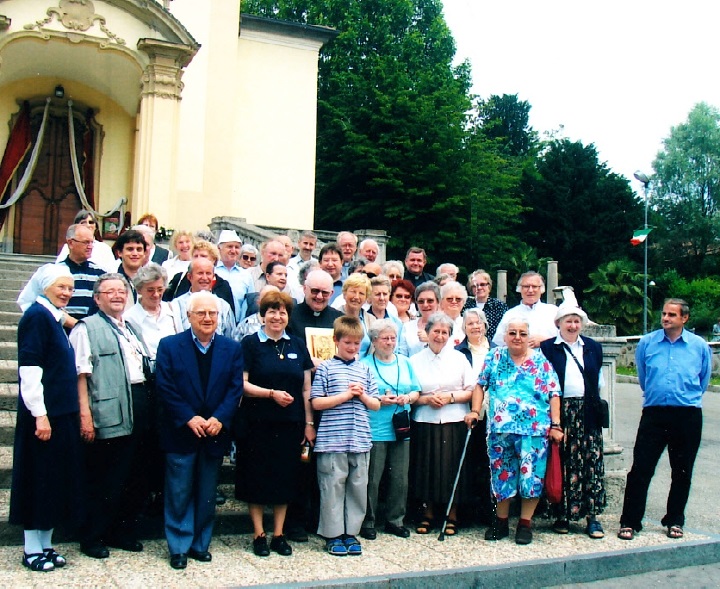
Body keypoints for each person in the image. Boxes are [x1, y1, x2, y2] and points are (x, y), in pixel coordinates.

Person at [155, 292, 244, 569]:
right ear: (189, 316)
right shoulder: (169, 346)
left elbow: (234, 388)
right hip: (182, 431)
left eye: (212, 314)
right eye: (201, 313)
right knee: (179, 491)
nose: (207, 318)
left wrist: (220, 417)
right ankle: (179, 546)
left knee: (207, 492)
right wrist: (188, 417)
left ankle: (200, 544)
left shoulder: (231, 348)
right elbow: (165, 386)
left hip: (215, 431)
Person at [69, 273, 153, 559]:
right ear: (97, 298)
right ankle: (92, 536)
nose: (117, 296)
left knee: (134, 475)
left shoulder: (130, 327)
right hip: (108, 412)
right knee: (107, 477)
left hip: (138, 407)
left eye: (121, 291)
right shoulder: (86, 328)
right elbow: (81, 376)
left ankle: (121, 531)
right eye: (110, 292)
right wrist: (85, 416)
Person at [618, 299, 711, 541]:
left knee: (681, 471)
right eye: (664, 313)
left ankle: (675, 520)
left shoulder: (699, 346)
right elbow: (643, 376)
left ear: (684, 318)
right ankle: (630, 521)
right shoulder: (648, 343)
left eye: (672, 315)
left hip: (687, 414)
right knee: (641, 469)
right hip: (655, 413)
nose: (666, 318)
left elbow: (703, 380)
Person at [10, 265, 83, 572]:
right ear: (44, 287)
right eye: (61, 287)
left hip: (61, 414)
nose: (67, 292)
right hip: (44, 417)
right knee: (38, 481)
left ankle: (47, 544)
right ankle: (31, 549)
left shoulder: (53, 317)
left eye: (70, 287)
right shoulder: (37, 318)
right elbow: (30, 370)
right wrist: (40, 415)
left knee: (54, 481)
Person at [468, 316, 563, 545]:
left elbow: (554, 393)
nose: (517, 338)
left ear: (528, 337)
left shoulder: (541, 361)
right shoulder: (495, 356)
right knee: (502, 476)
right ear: (505, 337)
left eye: (522, 333)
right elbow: (481, 385)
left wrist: (557, 425)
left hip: (534, 431)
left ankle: (524, 524)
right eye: (513, 333)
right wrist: (474, 410)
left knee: (531, 477)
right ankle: (500, 522)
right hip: (500, 429)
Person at [235, 291, 315, 557]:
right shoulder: (250, 344)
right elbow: (242, 384)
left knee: (285, 478)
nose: (277, 316)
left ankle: (278, 534)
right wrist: (270, 394)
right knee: (256, 477)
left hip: (290, 423)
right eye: (272, 311)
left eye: (282, 312)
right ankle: (259, 534)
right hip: (257, 423)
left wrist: (308, 422)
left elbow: (306, 389)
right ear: (263, 315)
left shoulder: (297, 344)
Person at [310, 316, 381, 556]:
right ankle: (332, 534)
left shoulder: (365, 369)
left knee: (358, 487)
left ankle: (351, 533)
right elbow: (317, 402)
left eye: (356, 344)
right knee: (332, 486)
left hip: (360, 439)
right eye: (347, 343)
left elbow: (375, 404)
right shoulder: (326, 368)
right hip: (332, 440)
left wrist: (361, 396)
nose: (352, 348)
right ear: (336, 341)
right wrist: (344, 395)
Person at [540, 303, 606, 538]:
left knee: (590, 462)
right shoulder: (548, 348)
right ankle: (562, 515)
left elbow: (598, 381)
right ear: (558, 323)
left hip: (587, 410)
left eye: (577, 321)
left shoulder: (593, 347)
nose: (573, 325)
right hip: (560, 410)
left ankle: (592, 517)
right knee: (563, 461)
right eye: (568, 320)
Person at [409, 312, 475, 537]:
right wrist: (426, 399)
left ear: (450, 335)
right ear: (427, 333)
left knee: (451, 468)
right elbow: (410, 394)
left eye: (444, 332)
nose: (439, 336)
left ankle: (452, 515)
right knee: (426, 468)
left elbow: (471, 389)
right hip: (425, 419)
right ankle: (427, 514)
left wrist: (450, 398)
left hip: (454, 419)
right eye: (435, 331)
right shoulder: (415, 360)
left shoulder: (459, 358)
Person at [359, 320, 420, 540]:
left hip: (401, 426)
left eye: (393, 338)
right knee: (372, 478)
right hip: (375, 427)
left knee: (400, 478)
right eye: (384, 338)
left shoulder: (405, 362)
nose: (389, 342)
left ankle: (395, 520)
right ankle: (368, 521)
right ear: (374, 340)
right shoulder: (364, 364)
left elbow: (416, 391)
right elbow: (360, 395)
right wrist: (378, 399)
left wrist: (408, 397)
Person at [18, 223, 105, 325]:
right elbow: (37, 301)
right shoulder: (56, 273)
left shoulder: (100, 273)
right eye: (86, 242)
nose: (90, 247)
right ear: (71, 243)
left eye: (91, 242)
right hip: (62, 329)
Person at [455, 308, 495, 526]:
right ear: (464, 328)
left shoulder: (498, 350)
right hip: (469, 413)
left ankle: (489, 512)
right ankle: (469, 512)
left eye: (479, 322)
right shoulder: (459, 352)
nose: (475, 326)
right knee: (472, 461)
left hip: (494, 413)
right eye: (470, 323)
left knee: (490, 462)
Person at [169, 257, 236, 338]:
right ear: (189, 277)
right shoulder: (176, 305)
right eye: (200, 273)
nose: (204, 278)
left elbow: (230, 338)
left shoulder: (224, 306)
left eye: (208, 273)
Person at [164, 240, 236, 314]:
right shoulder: (180, 278)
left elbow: (229, 315)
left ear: (213, 260)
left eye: (203, 256)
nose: (198, 259)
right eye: (195, 256)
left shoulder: (223, 286)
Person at [124, 263, 178, 358]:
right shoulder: (129, 318)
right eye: (150, 290)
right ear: (139, 289)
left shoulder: (173, 310)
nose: (156, 294)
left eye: (160, 289)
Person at [492, 271, 558, 348]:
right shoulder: (510, 314)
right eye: (526, 286)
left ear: (542, 289)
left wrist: (546, 342)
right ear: (520, 289)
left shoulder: (554, 311)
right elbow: (498, 344)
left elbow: (567, 340)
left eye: (534, 286)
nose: (530, 290)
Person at [214, 229, 254, 323]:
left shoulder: (246, 275)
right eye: (229, 247)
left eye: (237, 247)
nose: (233, 250)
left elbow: (249, 303)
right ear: (219, 249)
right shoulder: (212, 271)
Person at [463, 269, 508, 341]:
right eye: (475, 285)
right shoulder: (464, 305)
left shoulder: (499, 306)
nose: (479, 288)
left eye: (482, 284)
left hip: (493, 348)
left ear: (489, 286)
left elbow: (505, 329)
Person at [405, 281, 441, 356]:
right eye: (421, 301)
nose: (425, 305)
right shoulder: (407, 327)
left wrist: (431, 340)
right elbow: (402, 355)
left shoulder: (447, 326)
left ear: (438, 302)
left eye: (430, 301)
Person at [113, 229, 148, 304]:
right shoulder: (110, 280)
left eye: (139, 249)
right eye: (130, 249)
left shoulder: (150, 280)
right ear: (119, 252)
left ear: (144, 253)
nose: (135, 253)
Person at [439, 281, 468, 346]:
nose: (454, 301)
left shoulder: (468, 323)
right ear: (441, 302)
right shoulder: (435, 323)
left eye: (458, 299)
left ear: (463, 302)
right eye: (449, 299)